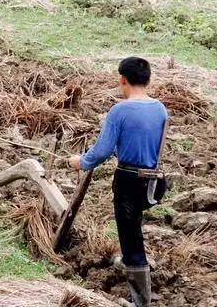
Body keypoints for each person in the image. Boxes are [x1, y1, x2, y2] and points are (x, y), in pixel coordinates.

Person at [68, 57, 168, 307]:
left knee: (130, 233)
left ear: (122, 79)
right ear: (148, 80)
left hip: (129, 179)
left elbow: (102, 150)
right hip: (154, 180)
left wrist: (82, 161)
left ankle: (140, 300)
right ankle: (130, 260)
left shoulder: (119, 110)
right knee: (133, 225)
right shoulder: (160, 108)